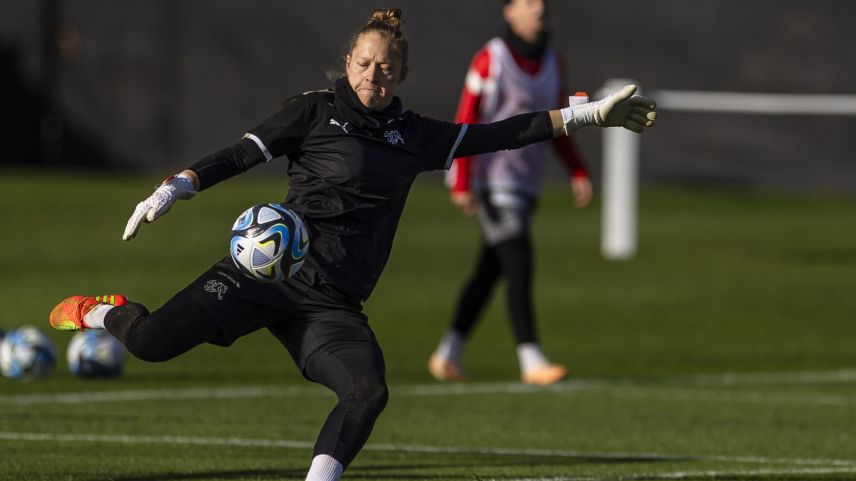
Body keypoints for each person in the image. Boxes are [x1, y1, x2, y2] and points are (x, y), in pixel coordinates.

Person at [48, 8, 656, 481]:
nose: (373, 74)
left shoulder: (413, 135)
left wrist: (584, 117)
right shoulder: (313, 113)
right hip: (261, 273)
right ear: (347, 61)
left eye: (385, 67)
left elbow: (499, 133)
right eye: (364, 63)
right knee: (151, 343)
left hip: (332, 305)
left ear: (401, 74)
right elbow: (240, 154)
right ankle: (101, 310)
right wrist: (176, 186)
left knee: (368, 393)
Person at [429, 0, 591, 386]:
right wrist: (463, 181)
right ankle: (531, 358)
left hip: (525, 185)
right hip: (490, 183)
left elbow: (557, 123)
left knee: (490, 270)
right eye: (528, 2)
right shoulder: (491, 60)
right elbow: (466, 120)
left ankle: (447, 354)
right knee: (519, 260)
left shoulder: (554, 63)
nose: (539, 9)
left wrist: (577, 169)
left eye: (542, 4)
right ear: (509, 11)